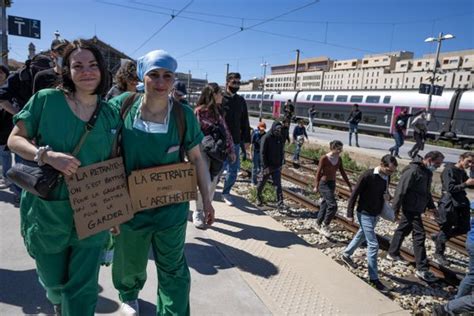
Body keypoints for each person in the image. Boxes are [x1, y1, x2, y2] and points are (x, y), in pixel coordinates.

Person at [7, 39, 120, 316]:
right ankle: (58, 302)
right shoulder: (46, 100)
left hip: (92, 208)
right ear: (66, 70)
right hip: (49, 208)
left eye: (93, 65)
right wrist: (47, 156)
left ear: (102, 69)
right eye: (77, 65)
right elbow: (14, 140)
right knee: (53, 282)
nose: (86, 71)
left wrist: (115, 211)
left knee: (82, 288)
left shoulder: (110, 113)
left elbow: (113, 163)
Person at [109, 50, 215, 316]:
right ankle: (128, 294)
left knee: (174, 267)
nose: (161, 82)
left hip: (171, 207)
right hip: (130, 206)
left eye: (167, 75)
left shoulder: (183, 115)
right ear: (142, 77)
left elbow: (197, 159)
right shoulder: (122, 107)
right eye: (153, 75)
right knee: (129, 262)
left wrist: (206, 202)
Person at [341, 155, 398, 293]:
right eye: (389, 170)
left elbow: (385, 192)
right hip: (364, 213)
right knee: (373, 244)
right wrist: (349, 214)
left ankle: (346, 254)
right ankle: (373, 278)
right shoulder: (367, 175)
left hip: (376, 213)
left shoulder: (387, 177)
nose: (390, 174)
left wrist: (388, 196)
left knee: (361, 234)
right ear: (381, 164)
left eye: (392, 172)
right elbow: (354, 195)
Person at [387, 151, 445, 283]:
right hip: (410, 207)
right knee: (419, 235)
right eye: (437, 163)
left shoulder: (427, 172)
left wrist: (432, 207)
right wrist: (394, 210)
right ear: (429, 159)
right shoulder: (412, 171)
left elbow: (426, 192)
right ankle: (422, 268)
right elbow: (400, 191)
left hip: (417, 208)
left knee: (403, 229)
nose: (437, 167)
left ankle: (393, 252)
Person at [194, 82, 235, 229]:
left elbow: (226, 131)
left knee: (213, 183)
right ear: (213, 95)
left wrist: (231, 150)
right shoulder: (199, 112)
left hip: (217, 153)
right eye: (220, 93)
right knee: (205, 182)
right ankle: (198, 212)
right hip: (202, 151)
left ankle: (207, 208)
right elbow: (193, 133)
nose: (222, 96)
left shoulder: (219, 112)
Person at [432, 201, 474, 316]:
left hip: (471, 241)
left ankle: (457, 301)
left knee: (472, 275)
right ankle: (448, 308)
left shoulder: (471, 204)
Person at [433, 152, 474, 265]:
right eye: (469, 161)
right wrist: (465, 184)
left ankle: (439, 237)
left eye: (472, 162)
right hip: (449, 202)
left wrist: (472, 173)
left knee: (464, 227)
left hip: (460, 202)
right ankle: (439, 253)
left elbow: (471, 184)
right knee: (446, 228)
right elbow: (449, 188)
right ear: (461, 159)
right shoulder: (449, 170)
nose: (470, 164)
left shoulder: (462, 171)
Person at [221, 72, 251, 206]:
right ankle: (209, 191)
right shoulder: (220, 99)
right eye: (234, 83)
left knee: (233, 171)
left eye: (238, 83)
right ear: (227, 82)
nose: (236, 85)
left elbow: (245, 121)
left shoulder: (240, 101)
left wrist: (247, 140)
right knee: (218, 169)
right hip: (220, 141)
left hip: (236, 141)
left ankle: (226, 192)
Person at [314, 140, 352, 237]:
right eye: (338, 149)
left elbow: (342, 172)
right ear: (333, 148)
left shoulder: (339, 159)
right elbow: (318, 172)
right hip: (324, 184)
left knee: (325, 204)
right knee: (333, 205)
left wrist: (349, 185)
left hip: (332, 184)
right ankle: (325, 225)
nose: (340, 151)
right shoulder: (324, 158)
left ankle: (317, 223)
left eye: (341, 149)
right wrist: (316, 185)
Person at [256, 121, 285, 209]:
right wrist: (264, 166)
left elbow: (281, 151)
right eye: (277, 129)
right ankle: (259, 197)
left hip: (276, 166)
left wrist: (281, 162)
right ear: (273, 128)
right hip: (267, 166)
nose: (278, 131)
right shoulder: (266, 137)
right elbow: (262, 153)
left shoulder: (279, 137)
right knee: (261, 184)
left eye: (280, 129)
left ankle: (280, 202)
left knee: (278, 185)